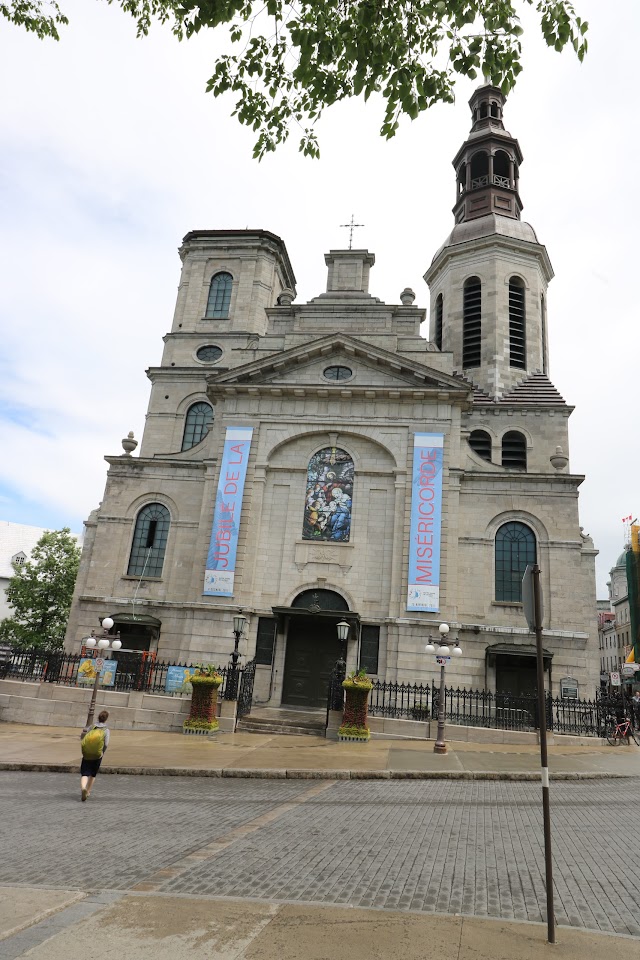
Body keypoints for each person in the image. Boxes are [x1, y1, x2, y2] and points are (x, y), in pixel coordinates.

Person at [80, 709, 110, 801]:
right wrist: (102, 752)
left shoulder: (91, 727)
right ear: (106, 719)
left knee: (85, 773)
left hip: (87, 754)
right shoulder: (106, 730)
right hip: (97, 755)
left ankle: (83, 788)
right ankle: (88, 791)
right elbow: (106, 744)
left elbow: (84, 738)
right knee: (93, 774)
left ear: (98, 717)